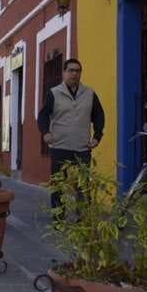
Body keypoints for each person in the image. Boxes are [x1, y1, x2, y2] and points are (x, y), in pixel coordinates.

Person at [37, 58, 105, 209]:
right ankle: (58, 219)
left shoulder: (89, 93)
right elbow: (43, 115)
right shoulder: (54, 93)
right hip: (60, 147)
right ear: (64, 73)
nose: (74, 74)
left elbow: (99, 115)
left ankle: (83, 219)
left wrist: (97, 136)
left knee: (83, 185)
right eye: (71, 70)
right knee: (58, 186)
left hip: (82, 148)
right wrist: (46, 132)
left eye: (77, 71)